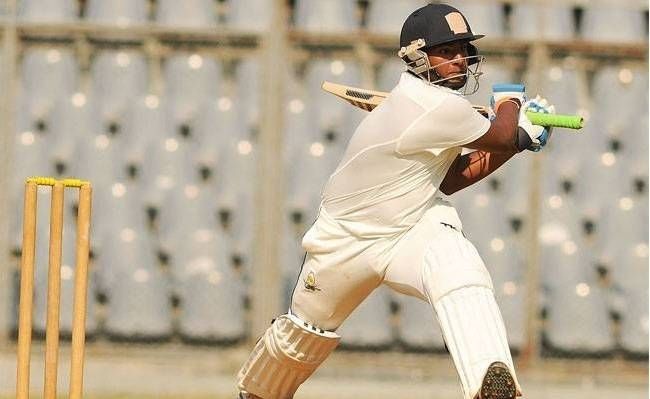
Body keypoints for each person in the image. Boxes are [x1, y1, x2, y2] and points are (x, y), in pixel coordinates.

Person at [237, 3, 555, 399]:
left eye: (464, 49)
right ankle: (259, 392)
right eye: (447, 50)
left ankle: (489, 386)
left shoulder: (440, 106)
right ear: (417, 56)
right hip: (346, 239)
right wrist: (514, 108)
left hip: (411, 226)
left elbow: (453, 178)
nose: (460, 59)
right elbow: (502, 134)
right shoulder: (436, 107)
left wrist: (516, 137)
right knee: (303, 334)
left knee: (460, 269)